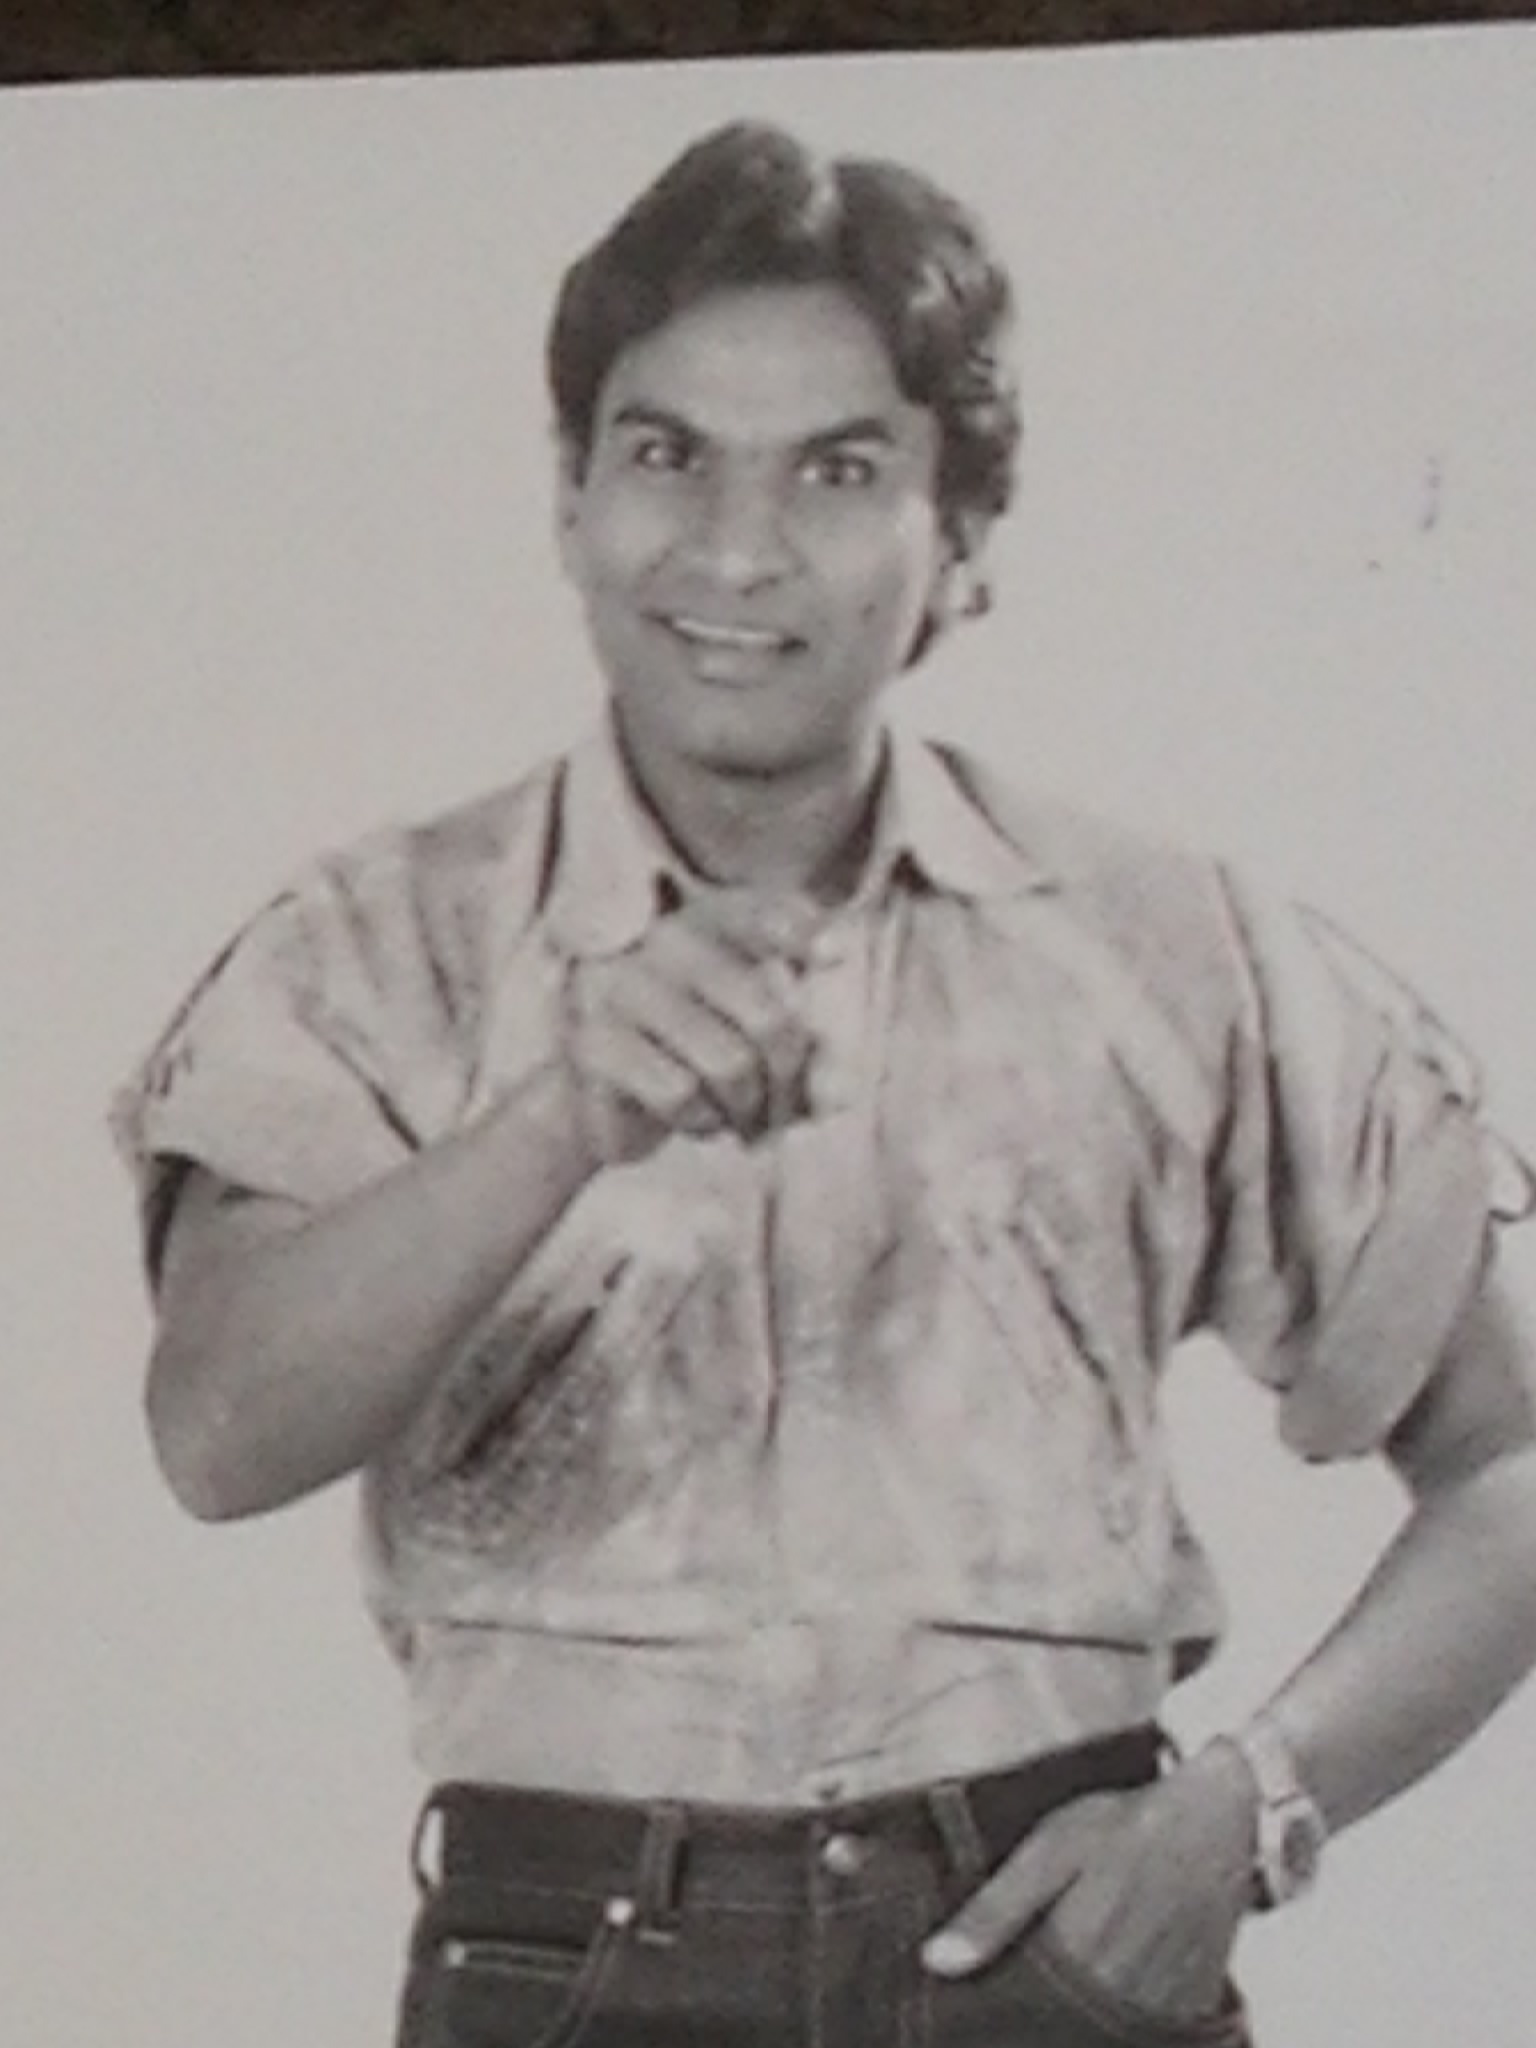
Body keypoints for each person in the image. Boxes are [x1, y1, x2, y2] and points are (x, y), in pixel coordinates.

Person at [114, 120, 1536, 2048]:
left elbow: (1514, 1461)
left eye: (839, 470)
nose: (734, 551)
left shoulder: (1173, 944)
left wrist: (1251, 1809)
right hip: (570, 1955)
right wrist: (557, 1119)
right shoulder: (374, 945)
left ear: (962, 539)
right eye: (666, 454)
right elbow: (213, 1437)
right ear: (569, 497)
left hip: (1053, 1948)